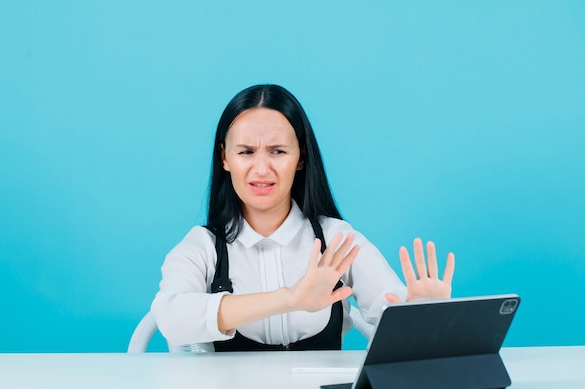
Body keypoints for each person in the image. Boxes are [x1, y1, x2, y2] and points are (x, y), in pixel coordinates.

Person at [151, 84, 455, 351]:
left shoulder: (336, 240)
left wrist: (420, 313)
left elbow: (391, 313)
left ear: (301, 158)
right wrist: (289, 298)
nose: (261, 169)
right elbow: (171, 316)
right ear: (225, 158)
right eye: (245, 152)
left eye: (278, 151)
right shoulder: (203, 247)